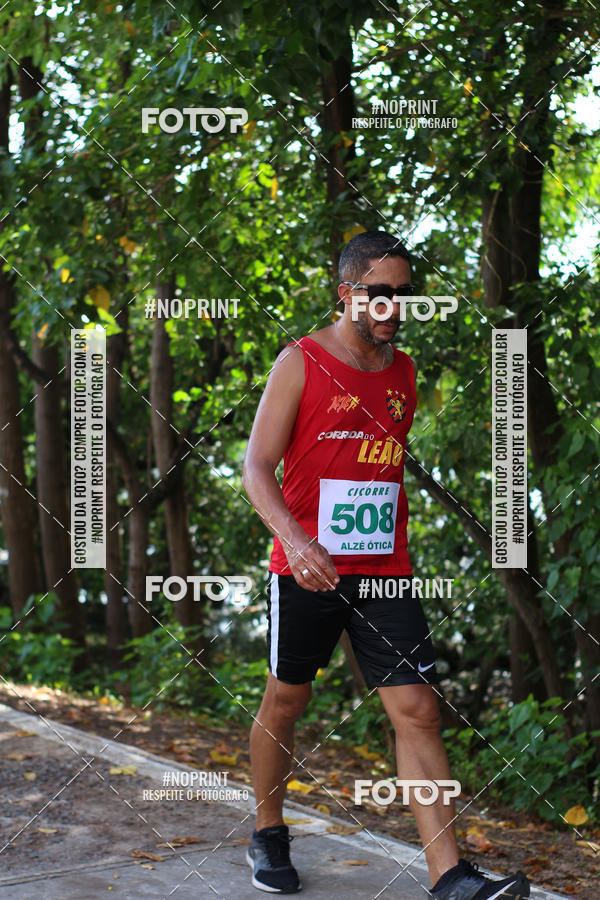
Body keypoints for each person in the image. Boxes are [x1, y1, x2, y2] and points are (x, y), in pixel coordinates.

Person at [242, 230, 530, 898]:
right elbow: (256, 470)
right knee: (287, 701)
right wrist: (299, 539)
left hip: (384, 572)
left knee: (419, 710)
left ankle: (449, 878)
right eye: (381, 294)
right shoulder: (301, 360)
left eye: (404, 295)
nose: (394, 307)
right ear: (347, 293)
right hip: (304, 568)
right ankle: (267, 829)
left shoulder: (402, 371)